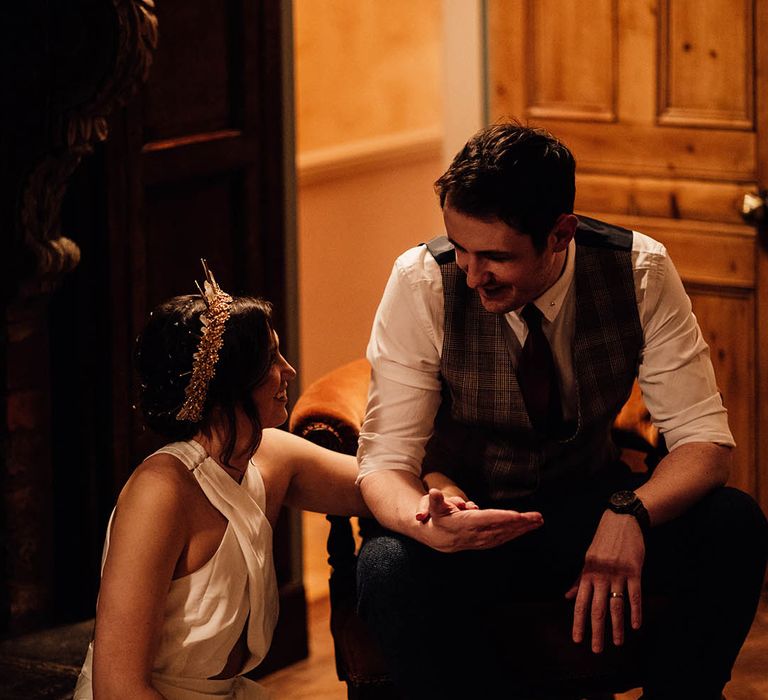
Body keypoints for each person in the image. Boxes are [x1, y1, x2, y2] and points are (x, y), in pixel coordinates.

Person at [355, 123, 768, 699]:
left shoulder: (640, 272)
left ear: (560, 234)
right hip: (472, 521)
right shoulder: (421, 280)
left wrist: (630, 512)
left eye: (495, 257)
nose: (471, 276)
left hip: (585, 508)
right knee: (386, 569)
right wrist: (429, 522)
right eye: (461, 249)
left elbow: (705, 445)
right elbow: (383, 461)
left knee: (734, 524)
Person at [74, 263, 370, 699]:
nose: (288, 371)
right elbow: (118, 687)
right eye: (271, 360)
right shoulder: (160, 492)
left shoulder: (273, 455)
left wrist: (438, 482)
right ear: (228, 386)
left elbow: (376, 486)